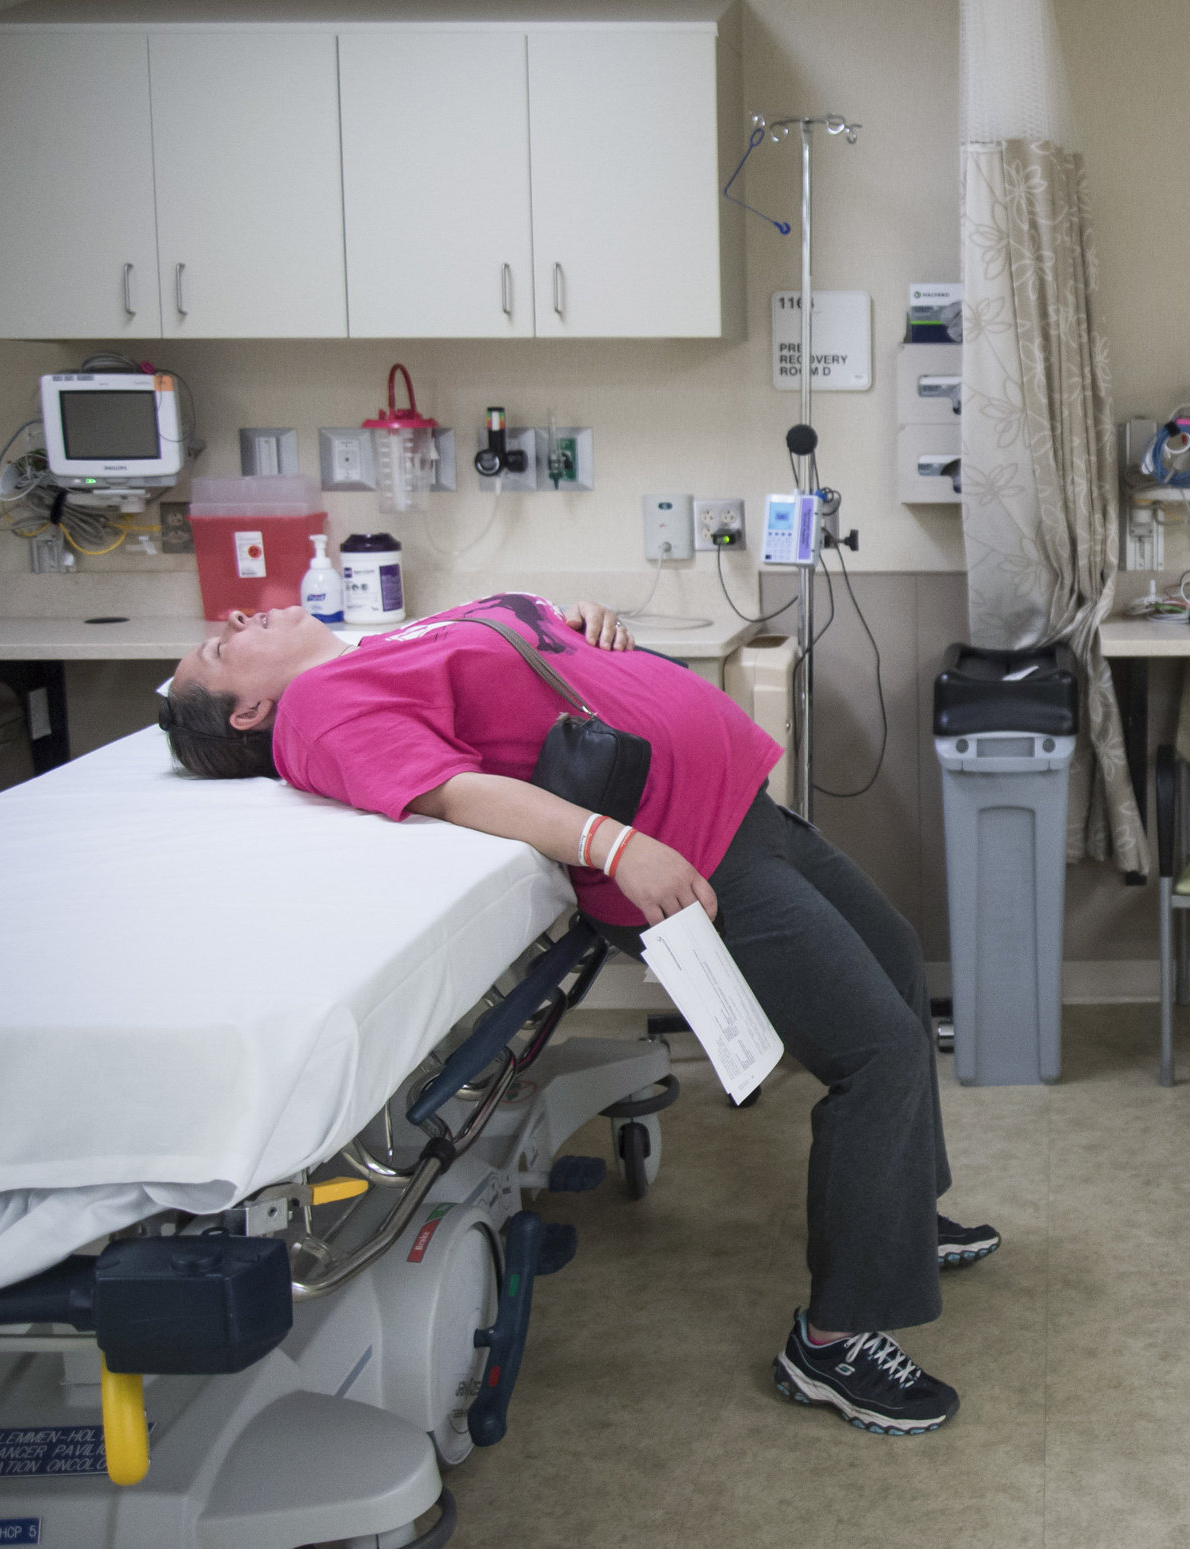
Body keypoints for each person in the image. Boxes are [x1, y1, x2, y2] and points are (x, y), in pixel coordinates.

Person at [160, 591, 994, 1436]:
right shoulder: (317, 710)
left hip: (736, 810)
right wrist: (616, 846)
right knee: (877, 1050)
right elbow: (454, 792)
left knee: (894, 955)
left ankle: (903, 1222)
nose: (233, 619)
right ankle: (833, 1342)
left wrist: (576, 618)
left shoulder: (384, 646)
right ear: (249, 711)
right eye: (219, 651)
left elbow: (520, 651)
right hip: (688, 854)